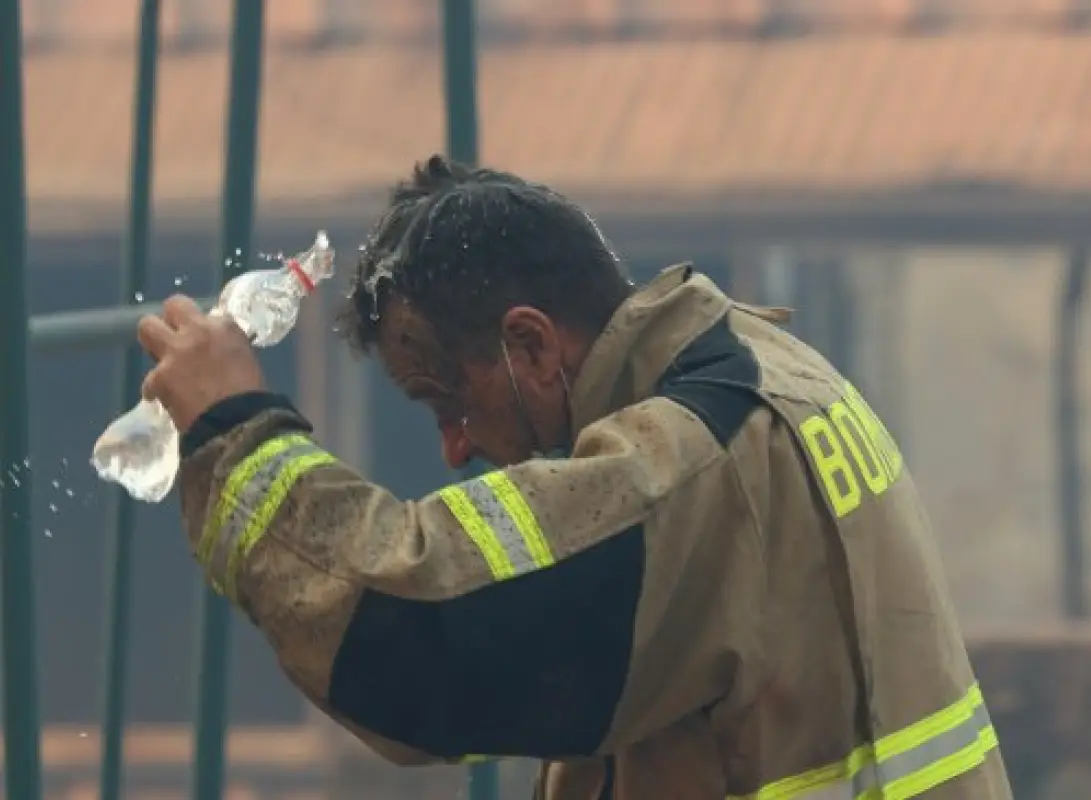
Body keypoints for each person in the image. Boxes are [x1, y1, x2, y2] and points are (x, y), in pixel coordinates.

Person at [137, 155, 1013, 799]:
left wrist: (236, 434)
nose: (453, 446)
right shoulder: (765, 366)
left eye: (449, 402)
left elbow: (420, 635)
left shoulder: (693, 463)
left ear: (528, 344)